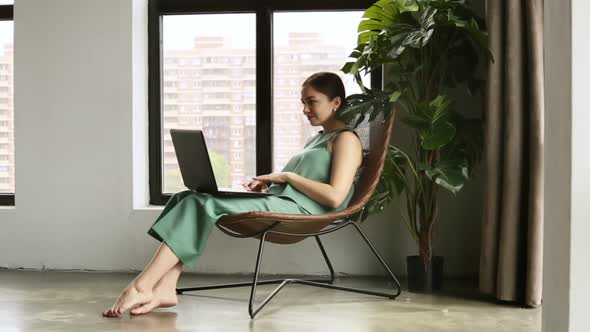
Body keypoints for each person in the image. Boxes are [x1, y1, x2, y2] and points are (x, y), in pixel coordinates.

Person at [102, 72, 363, 317]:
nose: (305, 109)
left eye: (312, 102)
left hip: (304, 213)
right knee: (186, 196)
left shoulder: (345, 140)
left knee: (199, 203)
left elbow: (335, 197)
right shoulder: (317, 139)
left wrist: (287, 177)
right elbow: (303, 184)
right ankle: (166, 288)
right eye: (302, 102)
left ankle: (141, 286)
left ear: (336, 102)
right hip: (284, 201)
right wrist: (267, 186)